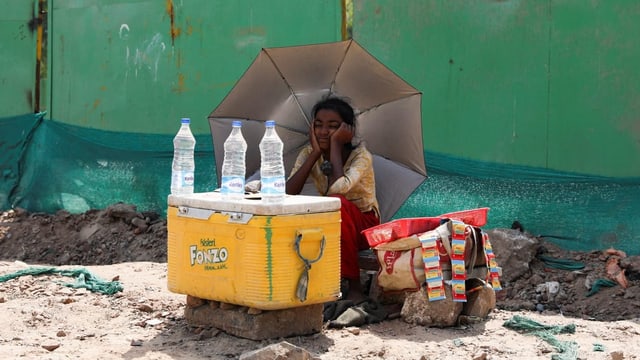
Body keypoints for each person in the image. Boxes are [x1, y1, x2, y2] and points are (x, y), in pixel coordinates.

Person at [286, 97, 380, 302]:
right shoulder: (309, 153)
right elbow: (287, 193)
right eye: (318, 125)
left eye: (332, 126)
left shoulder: (361, 156)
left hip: (364, 227)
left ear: (347, 130)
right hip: (333, 219)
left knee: (337, 202)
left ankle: (354, 288)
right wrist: (315, 154)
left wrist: (335, 145)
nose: (323, 131)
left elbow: (339, 188)